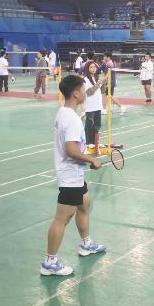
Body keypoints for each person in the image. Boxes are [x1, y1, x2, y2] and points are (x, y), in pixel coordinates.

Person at [41, 74, 107, 276]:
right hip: (70, 176)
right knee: (62, 218)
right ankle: (49, 263)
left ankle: (86, 244)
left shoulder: (63, 113)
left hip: (75, 174)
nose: (85, 92)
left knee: (84, 204)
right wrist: (91, 160)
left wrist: (85, 161)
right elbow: (71, 149)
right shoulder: (72, 119)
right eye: (83, 89)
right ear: (76, 93)